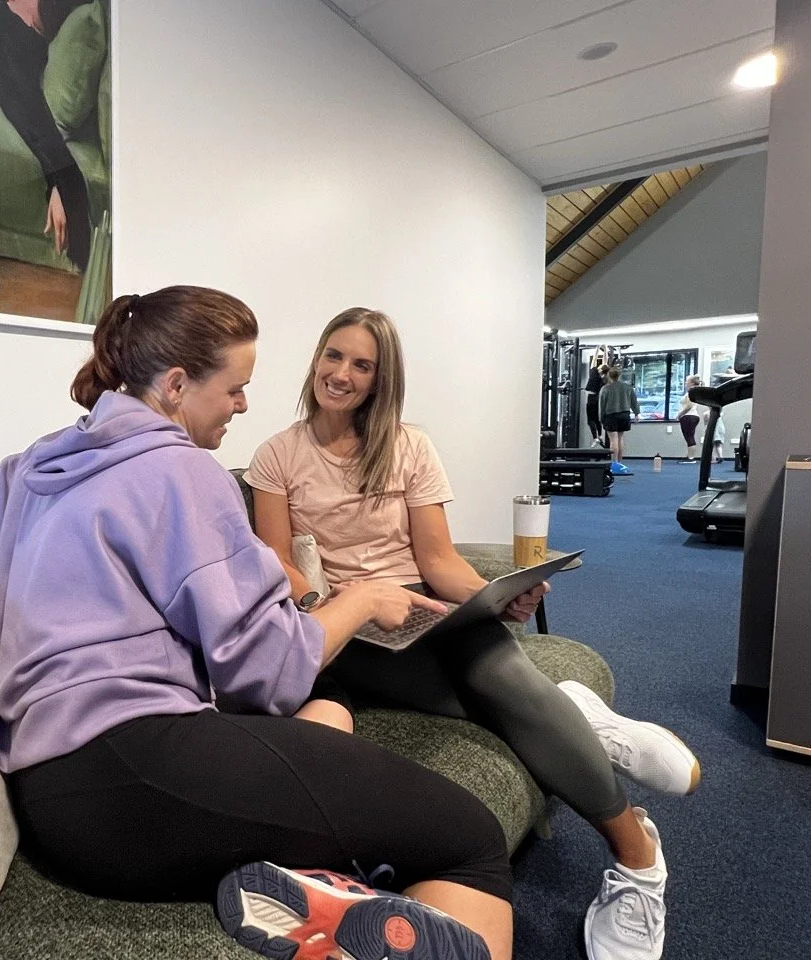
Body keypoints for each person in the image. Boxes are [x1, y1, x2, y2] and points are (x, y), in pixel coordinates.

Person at [0, 287, 511, 960]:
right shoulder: (185, 472)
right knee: (469, 837)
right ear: (177, 385)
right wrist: (360, 601)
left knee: (327, 743)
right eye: (236, 388)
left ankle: (324, 887)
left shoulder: (45, 460)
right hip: (136, 769)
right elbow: (268, 671)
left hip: (50, 797)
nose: (242, 404)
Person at [246, 308, 702, 960]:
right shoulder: (277, 456)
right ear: (316, 358)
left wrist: (497, 595)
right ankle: (584, 735)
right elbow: (281, 567)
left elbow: (438, 562)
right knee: (502, 692)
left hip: (425, 608)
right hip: (354, 626)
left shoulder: (409, 447)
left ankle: (635, 859)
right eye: (334, 356)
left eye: (361, 365)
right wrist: (338, 601)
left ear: (380, 380)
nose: (341, 374)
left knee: (495, 664)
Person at [598, 365, 639, 476]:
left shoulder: (605, 388)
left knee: (613, 440)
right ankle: (619, 463)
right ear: (619, 375)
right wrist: (636, 413)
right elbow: (634, 401)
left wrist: (601, 418)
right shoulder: (627, 387)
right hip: (624, 415)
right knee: (620, 439)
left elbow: (602, 405)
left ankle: (614, 463)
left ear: (609, 376)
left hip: (611, 415)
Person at [676, 375, 702, 463]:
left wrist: (679, 415)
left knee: (689, 437)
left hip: (689, 416)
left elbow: (689, 406)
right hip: (690, 416)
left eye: (687, 381)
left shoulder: (691, 392)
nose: (685, 382)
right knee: (689, 437)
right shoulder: (692, 392)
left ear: (691, 383)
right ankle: (689, 456)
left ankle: (691, 458)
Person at [584, 356, 609, 447]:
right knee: (596, 419)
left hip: (591, 398)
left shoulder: (594, 372)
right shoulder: (605, 378)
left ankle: (595, 438)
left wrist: (597, 349)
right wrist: (605, 349)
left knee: (590, 420)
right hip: (598, 398)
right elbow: (605, 363)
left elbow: (594, 361)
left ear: (600, 369)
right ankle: (600, 435)